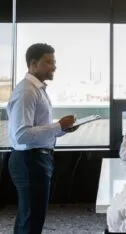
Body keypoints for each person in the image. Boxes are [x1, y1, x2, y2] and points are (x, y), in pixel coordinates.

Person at [7, 43, 78, 234]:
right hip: (29, 160)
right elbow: (22, 135)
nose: (54, 66)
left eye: (54, 62)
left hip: (37, 158)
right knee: (31, 220)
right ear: (33, 64)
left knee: (31, 217)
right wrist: (58, 126)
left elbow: (38, 128)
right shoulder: (27, 91)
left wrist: (62, 130)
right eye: (48, 62)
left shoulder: (37, 90)